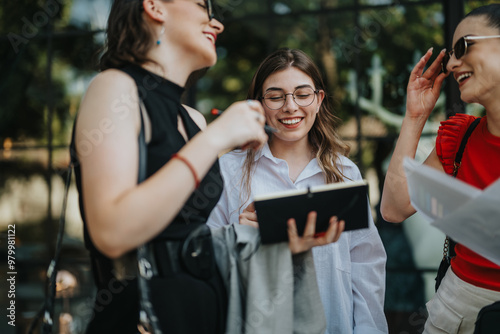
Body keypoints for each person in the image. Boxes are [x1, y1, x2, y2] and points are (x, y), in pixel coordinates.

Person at [70, 1, 343, 333]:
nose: (217, 24)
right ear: (154, 6)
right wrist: (216, 138)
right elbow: (111, 233)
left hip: (206, 315)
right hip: (143, 317)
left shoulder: (194, 120)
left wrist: (260, 238)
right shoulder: (114, 88)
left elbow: (188, 241)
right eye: (202, 6)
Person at [207, 48, 388, 334]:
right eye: (276, 96)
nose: (290, 107)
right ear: (259, 104)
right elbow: (205, 258)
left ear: (318, 100)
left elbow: (366, 264)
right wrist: (239, 237)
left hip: (334, 322)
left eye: (302, 94)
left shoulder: (345, 174)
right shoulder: (227, 171)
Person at [381, 4, 500, 333]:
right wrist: (415, 116)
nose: (451, 63)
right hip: (456, 308)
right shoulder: (458, 137)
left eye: (463, 47)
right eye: (449, 53)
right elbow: (393, 208)